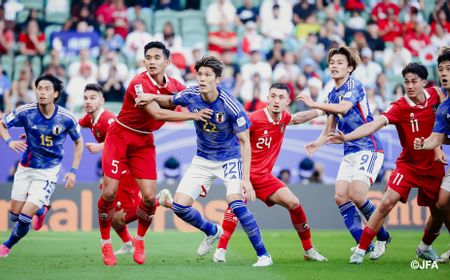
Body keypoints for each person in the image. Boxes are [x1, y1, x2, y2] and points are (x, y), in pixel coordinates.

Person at [135, 56, 272, 267]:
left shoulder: (231, 106)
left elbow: (245, 141)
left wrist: (246, 179)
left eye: (207, 75)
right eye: (199, 74)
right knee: (180, 207)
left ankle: (264, 255)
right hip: (202, 159)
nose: (202, 79)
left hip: (228, 159)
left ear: (218, 79)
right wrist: (150, 96)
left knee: (236, 203)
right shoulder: (191, 95)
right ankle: (211, 231)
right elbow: (171, 100)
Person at [98, 41, 212, 266]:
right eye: (148, 57)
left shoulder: (176, 85)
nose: (151, 61)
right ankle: (106, 244)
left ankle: (139, 240)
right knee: (109, 193)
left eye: (156, 57)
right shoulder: (138, 83)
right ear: (143, 61)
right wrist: (194, 116)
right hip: (120, 137)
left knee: (150, 197)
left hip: (143, 142)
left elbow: (195, 98)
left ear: (167, 62)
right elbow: (157, 114)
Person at [328, 62, 446, 264]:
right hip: (408, 165)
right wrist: (346, 138)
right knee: (386, 202)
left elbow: (441, 123)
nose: (409, 86)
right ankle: (361, 249)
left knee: (439, 211)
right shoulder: (399, 106)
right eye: (406, 82)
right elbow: (374, 124)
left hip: (433, 165)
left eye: (414, 82)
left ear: (424, 82)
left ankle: (425, 247)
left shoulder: (437, 95)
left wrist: (436, 147)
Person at [211, 83, 327, 263]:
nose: (276, 100)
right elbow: (237, 142)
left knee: (294, 203)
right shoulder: (254, 119)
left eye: (281, 97)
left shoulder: (283, 118)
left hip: (265, 178)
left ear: (287, 101)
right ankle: (220, 250)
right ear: (267, 98)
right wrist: (242, 177)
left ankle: (309, 250)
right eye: (273, 96)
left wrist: (323, 110)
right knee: (235, 208)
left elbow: (298, 118)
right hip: (246, 174)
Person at [297, 46, 391, 259]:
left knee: (358, 195)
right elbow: (329, 128)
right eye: (331, 62)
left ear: (350, 68)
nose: (334, 66)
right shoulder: (332, 93)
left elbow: (344, 109)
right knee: (340, 197)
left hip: (369, 147)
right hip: (349, 150)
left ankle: (382, 237)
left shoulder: (354, 85)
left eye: (339, 62)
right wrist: (317, 143)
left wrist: (313, 103)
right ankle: (364, 244)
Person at [79, 83, 173, 256]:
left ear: (102, 101)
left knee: (119, 217)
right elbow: (76, 124)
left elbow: (121, 136)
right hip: (115, 168)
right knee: (112, 214)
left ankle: (158, 200)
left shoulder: (108, 119)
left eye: (92, 98)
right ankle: (128, 243)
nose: (88, 102)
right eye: (85, 98)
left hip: (126, 170)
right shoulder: (89, 118)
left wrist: (100, 147)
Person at [0, 74, 84, 257]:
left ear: (55, 94)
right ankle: (42, 209)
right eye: (39, 89)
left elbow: (79, 142)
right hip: (26, 167)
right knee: (13, 215)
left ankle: (6, 246)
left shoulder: (66, 117)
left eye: (47, 89)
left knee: (23, 219)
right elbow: (2, 123)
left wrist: (73, 171)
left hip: (48, 170)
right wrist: (9, 142)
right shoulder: (26, 111)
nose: (42, 93)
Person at [413, 50, 450, 263]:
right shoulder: (444, 108)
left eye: (449, 69)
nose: (444, 73)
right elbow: (436, 139)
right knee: (441, 202)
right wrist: (423, 144)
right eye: (442, 69)